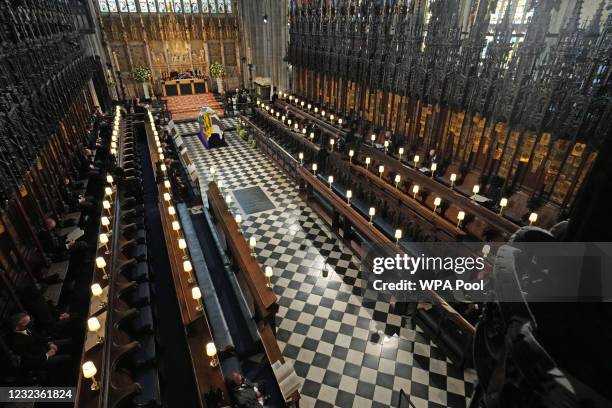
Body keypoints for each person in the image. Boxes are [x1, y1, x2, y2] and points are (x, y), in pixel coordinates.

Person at [7, 313, 73, 385]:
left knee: (69, 341)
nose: (30, 324)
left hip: (44, 349)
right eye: (27, 323)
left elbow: (39, 338)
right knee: (67, 358)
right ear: (19, 325)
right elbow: (30, 360)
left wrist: (49, 343)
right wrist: (47, 355)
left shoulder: (26, 329)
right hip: (40, 360)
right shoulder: (17, 342)